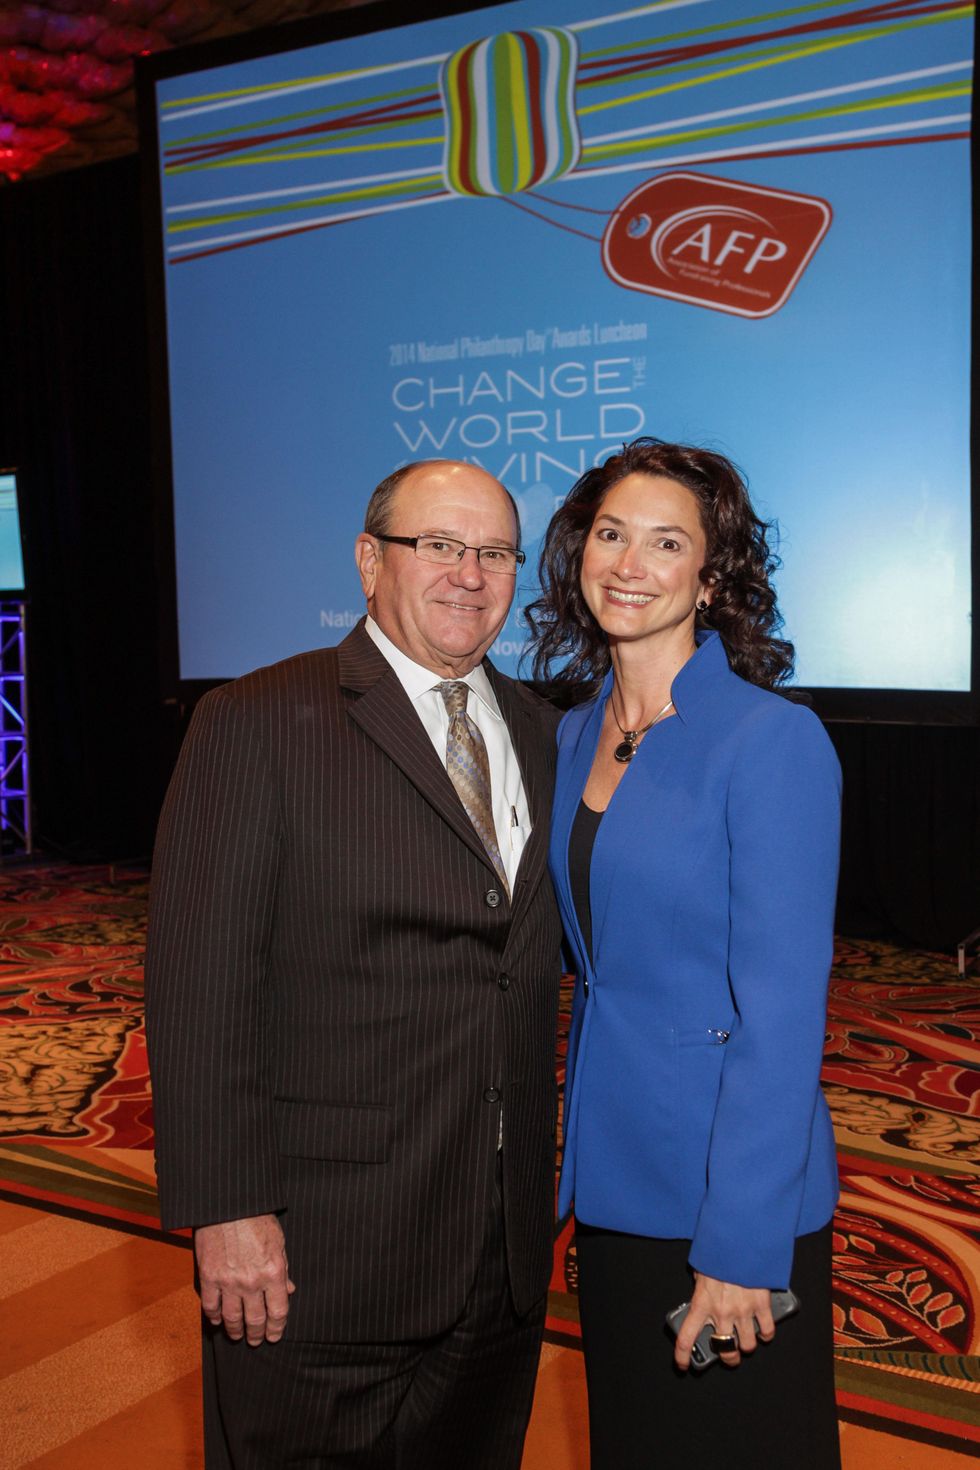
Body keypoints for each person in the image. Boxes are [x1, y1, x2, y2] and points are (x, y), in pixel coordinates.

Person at [144, 459, 563, 1470]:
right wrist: (227, 1212)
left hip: (499, 1257)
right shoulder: (255, 719)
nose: (470, 573)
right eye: (439, 545)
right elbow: (199, 988)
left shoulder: (547, 735)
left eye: (496, 552)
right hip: (322, 1257)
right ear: (370, 561)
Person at [525, 438, 842, 1469]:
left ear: (709, 578)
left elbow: (782, 1017)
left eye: (666, 543)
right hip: (613, 1175)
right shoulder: (572, 735)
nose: (629, 563)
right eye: (610, 534)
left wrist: (741, 1245)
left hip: (726, 1189)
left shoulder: (769, 741)